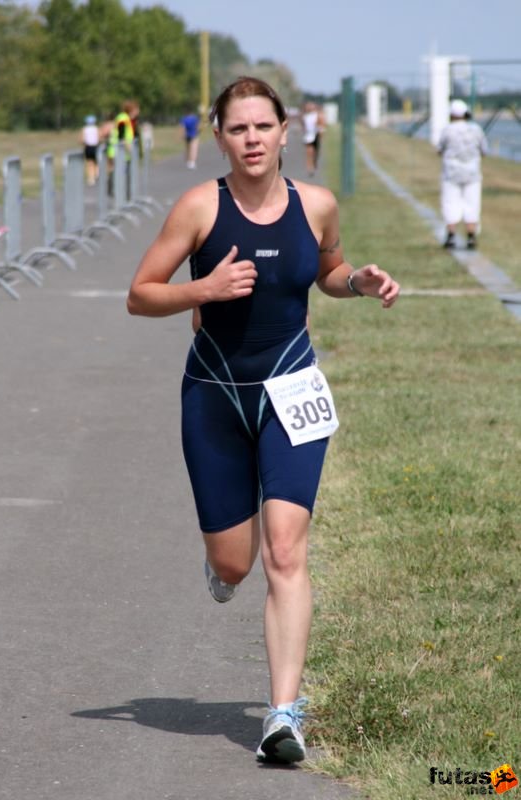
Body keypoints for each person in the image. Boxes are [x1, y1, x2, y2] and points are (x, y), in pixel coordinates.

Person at [127, 76, 399, 765]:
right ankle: (222, 568)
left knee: (286, 550)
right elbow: (141, 295)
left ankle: (283, 716)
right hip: (215, 394)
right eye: (237, 128)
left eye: (262, 127)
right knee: (237, 561)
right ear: (220, 137)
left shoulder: (317, 205)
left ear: (286, 132)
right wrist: (203, 289)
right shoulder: (198, 208)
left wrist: (357, 283)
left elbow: (328, 269)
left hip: (293, 394)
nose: (251, 139)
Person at [437, 98, 488, 250]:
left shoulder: (447, 130)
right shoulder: (476, 129)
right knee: (472, 204)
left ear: (451, 115)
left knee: (450, 203)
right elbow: (484, 150)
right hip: (472, 174)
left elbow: (440, 149)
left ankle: (451, 236)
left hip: (451, 174)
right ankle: (471, 236)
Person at [106, 99, 140, 195]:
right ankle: (113, 189)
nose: (138, 111)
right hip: (118, 150)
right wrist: (129, 149)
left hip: (121, 150)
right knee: (118, 170)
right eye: (137, 109)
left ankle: (116, 189)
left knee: (120, 170)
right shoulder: (123, 118)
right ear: (132, 109)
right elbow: (122, 137)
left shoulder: (128, 119)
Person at [301, 101, 325, 176]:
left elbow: (321, 124)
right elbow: (303, 125)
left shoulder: (317, 115)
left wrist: (320, 130)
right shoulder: (304, 116)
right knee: (309, 152)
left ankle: (314, 163)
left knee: (316, 152)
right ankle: (310, 168)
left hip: (316, 135)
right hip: (308, 136)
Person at [80, 115, 99, 186]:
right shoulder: (96, 129)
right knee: (96, 162)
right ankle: (97, 174)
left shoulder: (85, 129)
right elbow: (99, 138)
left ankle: (91, 178)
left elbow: (82, 139)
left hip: (88, 147)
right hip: (96, 147)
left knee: (89, 163)